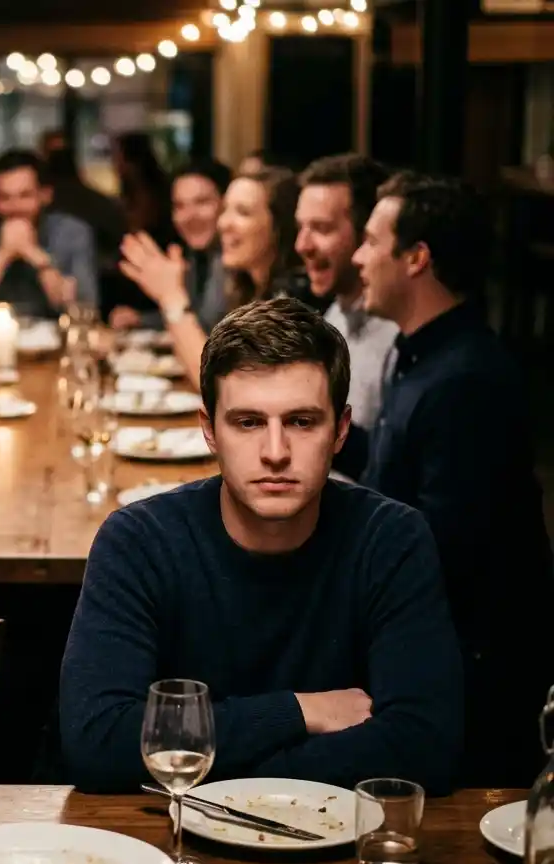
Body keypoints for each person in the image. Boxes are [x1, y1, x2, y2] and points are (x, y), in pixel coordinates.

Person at [58, 296, 464, 795]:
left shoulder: (392, 540)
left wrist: (212, 759)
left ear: (340, 430)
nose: (275, 453)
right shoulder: (139, 542)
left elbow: (426, 745)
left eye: (301, 421)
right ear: (209, 430)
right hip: (171, 854)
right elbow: (96, 742)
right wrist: (297, 711)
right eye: (248, 423)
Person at [349, 172, 554, 786]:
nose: (357, 257)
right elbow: (390, 470)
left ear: (416, 258)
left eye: (369, 241)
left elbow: (445, 550)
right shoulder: (416, 353)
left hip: (474, 675)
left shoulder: (467, 379)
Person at [118, 166, 303, 389]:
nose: (224, 223)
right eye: (226, 210)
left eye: (243, 212)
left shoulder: (291, 301)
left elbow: (227, 391)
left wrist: (171, 298)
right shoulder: (245, 288)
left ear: (278, 225)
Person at [296, 154, 397, 430]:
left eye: (321, 228)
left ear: (367, 235)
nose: (301, 245)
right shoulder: (336, 313)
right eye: (300, 227)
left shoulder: (397, 332)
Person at [0, 149, 97, 319]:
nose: (14, 206)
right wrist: (4, 254)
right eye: (4, 197)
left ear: (45, 195)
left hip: (54, 338)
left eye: (25, 196)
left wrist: (33, 253)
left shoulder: (73, 231)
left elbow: (82, 307)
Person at [110, 158, 231, 333]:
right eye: (179, 206)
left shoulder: (235, 261)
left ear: (226, 204)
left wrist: (169, 296)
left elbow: (208, 330)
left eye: (202, 202)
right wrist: (140, 319)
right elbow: (192, 316)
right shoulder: (194, 254)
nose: (189, 216)